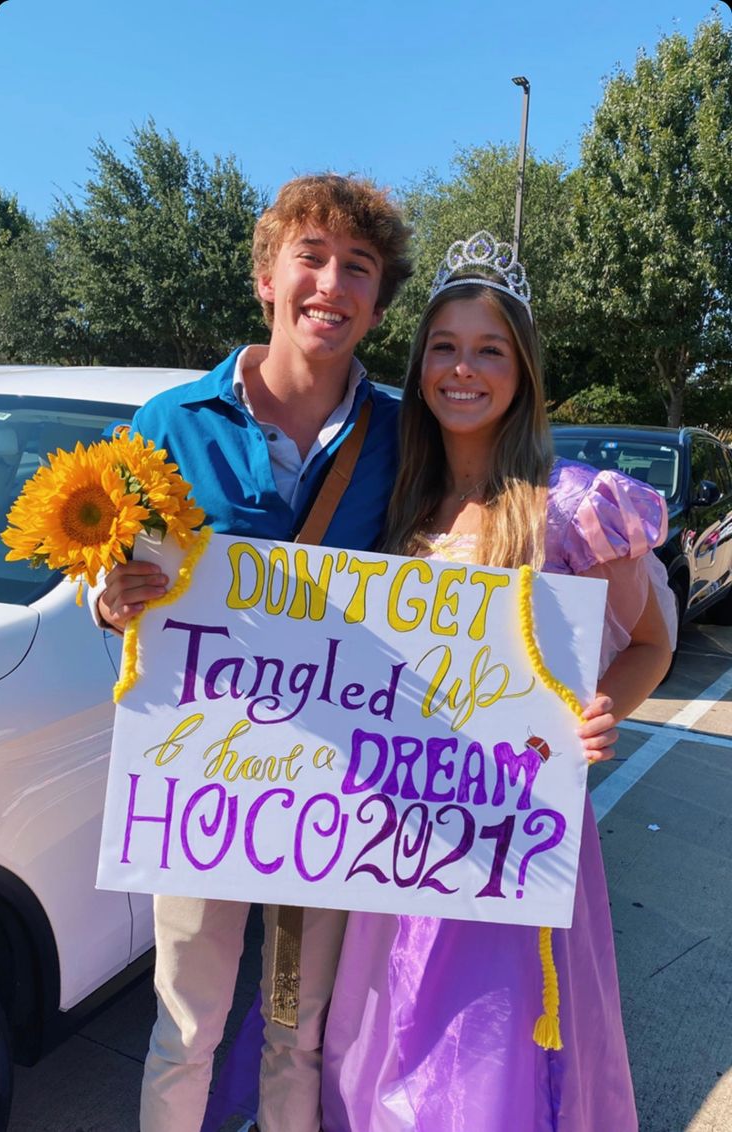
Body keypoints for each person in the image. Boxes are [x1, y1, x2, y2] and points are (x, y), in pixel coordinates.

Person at [321, 232, 675, 1132]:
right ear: (420, 362)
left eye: (489, 350)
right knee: (387, 1051)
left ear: (521, 371)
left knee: (486, 1066)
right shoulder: (396, 499)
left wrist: (598, 720)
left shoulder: (571, 507)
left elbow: (648, 644)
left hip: (510, 842)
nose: (462, 370)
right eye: (443, 347)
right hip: (397, 838)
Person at [94, 173, 412, 1132]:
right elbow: (109, 583)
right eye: (310, 256)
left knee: (296, 1032)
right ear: (267, 279)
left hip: (333, 791)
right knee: (183, 1028)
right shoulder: (168, 426)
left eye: (357, 267)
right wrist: (112, 602)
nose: (332, 282)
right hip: (202, 781)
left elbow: (461, 563)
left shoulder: (407, 435)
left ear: (376, 302)